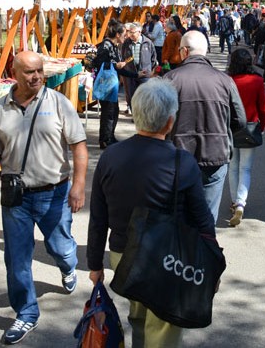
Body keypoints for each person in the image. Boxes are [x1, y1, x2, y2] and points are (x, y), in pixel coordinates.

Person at [87, 79, 216, 348]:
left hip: (124, 254)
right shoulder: (182, 162)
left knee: (138, 315)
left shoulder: (110, 156)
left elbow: (98, 217)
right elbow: (202, 219)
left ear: (135, 114)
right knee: (162, 327)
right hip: (166, 259)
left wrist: (95, 264)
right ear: (170, 121)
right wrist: (212, 266)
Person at [0, 51, 88, 345]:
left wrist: (78, 186)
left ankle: (67, 265)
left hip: (55, 193)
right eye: (29, 72)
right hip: (17, 198)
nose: (37, 76)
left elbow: (78, 147)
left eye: (39, 70)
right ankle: (26, 312)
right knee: (16, 260)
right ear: (14, 73)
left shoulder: (59, 103)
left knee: (59, 247)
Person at [165, 31, 247, 222]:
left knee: (180, 214)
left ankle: (183, 248)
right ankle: (204, 247)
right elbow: (240, 120)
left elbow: (158, 120)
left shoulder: (170, 79)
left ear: (184, 51)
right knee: (207, 216)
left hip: (178, 154)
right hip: (215, 154)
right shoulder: (225, 80)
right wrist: (222, 133)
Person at [226, 49, 265, 227]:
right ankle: (241, 202)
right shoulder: (257, 80)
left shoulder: (227, 80)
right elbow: (263, 107)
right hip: (250, 127)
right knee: (246, 168)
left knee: (232, 167)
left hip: (230, 127)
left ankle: (235, 201)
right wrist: (262, 126)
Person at [94, 20, 144, 149]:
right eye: (124, 34)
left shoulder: (114, 46)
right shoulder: (105, 45)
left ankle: (109, 137)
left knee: (113, 111)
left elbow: (119, 69)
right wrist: (114, 65)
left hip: (112, 85)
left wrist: (136, 75)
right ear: (117, 34)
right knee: (108, 112)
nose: (125, 36)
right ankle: (105, 140)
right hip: (106, 85)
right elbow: (98, 63)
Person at [121, 22, 158, 114]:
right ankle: (135, 115)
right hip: (131, 73)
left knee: (144, 95)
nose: (130, 35)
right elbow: (122, 56)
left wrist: (149, 70)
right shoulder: (126, 43)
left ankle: (144, 114)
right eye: (129, 32)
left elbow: (153, 58)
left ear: (139, 32)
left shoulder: (148, 42)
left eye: (132, 33)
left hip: (144, 74)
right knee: (132, 95)